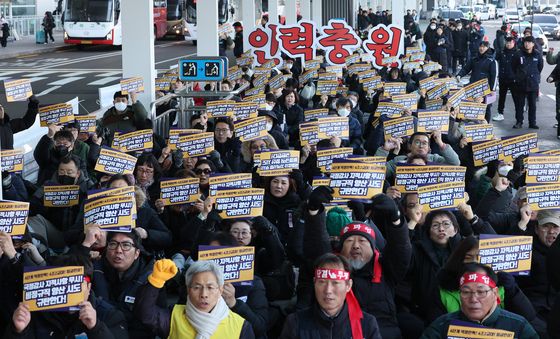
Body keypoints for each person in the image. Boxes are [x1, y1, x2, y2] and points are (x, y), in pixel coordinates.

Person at [4, 254, 129, 339]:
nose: (68, 289)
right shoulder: (34, 312)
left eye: (75, 283)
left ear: (89, 287)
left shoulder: (110, 315)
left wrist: (96, 328)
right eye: (62, 281)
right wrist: (18, 331)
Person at [134, 259, 255, 338]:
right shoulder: (175, 316)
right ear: (188, 290)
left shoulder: (241, 326)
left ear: (220, 290)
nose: (204, 294)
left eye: (210, 287)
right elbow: (145, 314)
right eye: (197, 287)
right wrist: (155, 281)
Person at [421, 263, 539, 338]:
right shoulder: (442, 325)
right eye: (466, 292)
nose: (473, 299)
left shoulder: (518, 325)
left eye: (481, 292)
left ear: (495, 293)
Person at [280, 253, 382, 338]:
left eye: (335, 283)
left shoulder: (366, 324)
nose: (328, 290)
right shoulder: (296, 322)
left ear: (348, 285)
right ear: (314, 283)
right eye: (322, 282)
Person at [456, 41, 497, 123]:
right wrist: (459, 75)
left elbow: (494, 76)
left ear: (488, 48)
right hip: (473, 87)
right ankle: (474, 126)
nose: (481, 48)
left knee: (486, 107)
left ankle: (485, 126)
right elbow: (466, 68)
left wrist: (492, 89)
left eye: (484, 47)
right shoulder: (474, 59)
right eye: (480, 46)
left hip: (485, 89)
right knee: (473, 107)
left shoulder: (492, 61)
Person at [512, 35, 543, 129]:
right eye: (525, 42)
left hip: (533, 83)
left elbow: (540, 67)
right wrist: (518, 76)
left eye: (529, 42)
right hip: (520, 83)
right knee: (519, 104)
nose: (527, 44)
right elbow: (513, 66)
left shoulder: (537, 54)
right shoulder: (518, 54)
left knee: (532, 105)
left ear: (533, 44)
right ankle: (519, 121)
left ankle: (532, 122)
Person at [494, 37, 517, 122]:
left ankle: (518, 116)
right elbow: (494, 60)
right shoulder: (502, 52)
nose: (508, 44)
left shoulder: (517, 53)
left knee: (516, 97)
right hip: (503, 78)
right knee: (502, 97)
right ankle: (500, 113)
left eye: (510, 42)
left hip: (513, 79)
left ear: (513, 43)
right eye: (507, 42)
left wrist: (517, 77)